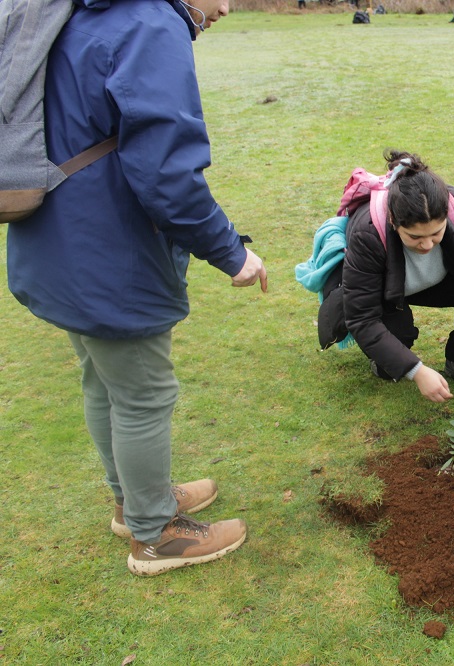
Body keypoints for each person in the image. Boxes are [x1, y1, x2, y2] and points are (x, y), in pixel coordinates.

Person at [5, 0, 266, 576]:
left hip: (58, 242)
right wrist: (230, 252)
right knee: (144, 395)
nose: (227, 8)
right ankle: (156, 535)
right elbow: (167, 172)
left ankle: (137, 502)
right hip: (106, 251)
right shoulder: (150, 23)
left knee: (105, 382)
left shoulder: (91, 10)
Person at [342, 150, 454, 402]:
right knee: (390, 363)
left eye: (436, 233)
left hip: (438, 280)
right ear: (393, 220)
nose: (427, 245)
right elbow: (362, 318)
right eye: (415, 237)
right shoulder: (367, 234)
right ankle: (390, 354)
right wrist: (415, 370)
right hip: (385, 290)